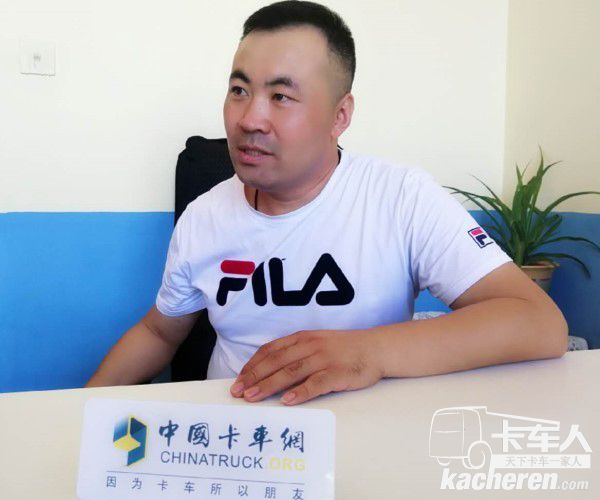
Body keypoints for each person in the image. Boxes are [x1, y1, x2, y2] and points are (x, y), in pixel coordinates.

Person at [86, 1, 567, 404]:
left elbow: (538, 322)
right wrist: (77, 410)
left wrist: (369, 351)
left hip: (363, 436)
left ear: (340, 116)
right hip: (234, 443)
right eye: (239, 90)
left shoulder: (400, 198)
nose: (250, 119)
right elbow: (159, 333)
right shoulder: (203, 217)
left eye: (280, 96)